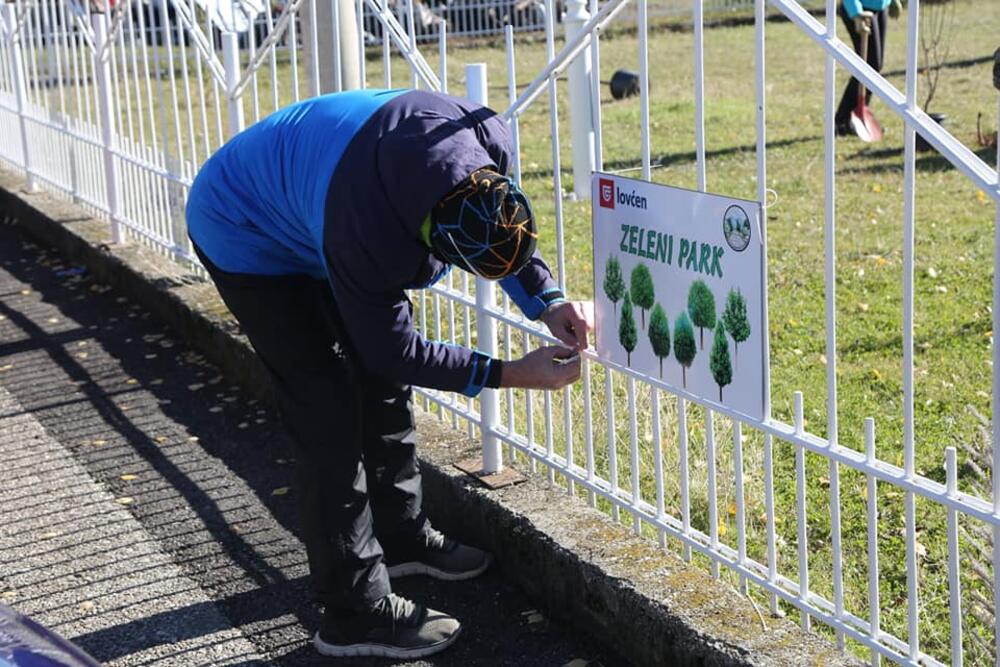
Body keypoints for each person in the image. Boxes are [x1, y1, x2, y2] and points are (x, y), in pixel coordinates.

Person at [185, 88, 591, 659]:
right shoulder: (366, 229)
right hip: (244, 227)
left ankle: (401, 535)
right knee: (326, 411)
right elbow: (394, 351)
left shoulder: (482, 138)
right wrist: (512, 373)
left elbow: (502, 232)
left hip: (318, 197)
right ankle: (354, 613)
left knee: (380, 392)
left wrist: (547, 300)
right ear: (429, 239)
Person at [835, 0, 902, 137]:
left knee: (874, 66)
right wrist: (856, 13)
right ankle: (842, 119)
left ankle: (856, 114)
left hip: (880, 7)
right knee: (869, 65)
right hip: (858, 9)